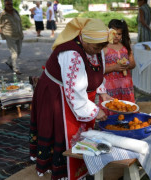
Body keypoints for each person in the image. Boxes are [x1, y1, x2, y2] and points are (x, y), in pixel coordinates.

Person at [29, 18, 115, 180]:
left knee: (81, 132)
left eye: (102, 47)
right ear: (85, 40)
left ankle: (83, 166)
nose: (99, 51)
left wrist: (102, 92)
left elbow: (97, 71)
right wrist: (94, 110)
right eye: (97, 47)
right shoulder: (71, 53)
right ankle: (63, 171)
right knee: (63, 131)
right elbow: (74, 90)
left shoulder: (95, 47)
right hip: (57, 94)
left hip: (76, 95)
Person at [99, 19, 136, 115]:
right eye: (114, 33)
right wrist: (114, 67)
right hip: (109, 86)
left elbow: (133, 64)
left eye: (119, 34)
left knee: (126, 108)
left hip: (125, 85)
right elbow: (98, 69)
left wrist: (127, 65)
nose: (116, 36)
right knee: (111, 108)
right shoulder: (104, 47)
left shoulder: (125, 46)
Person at [0, 0, 23, 75]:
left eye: (11, 4)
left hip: (19, 35)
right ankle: (15, 68)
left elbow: (19, 23)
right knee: (14, 53)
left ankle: (9, 62)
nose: (10, 6)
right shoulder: (2, 14)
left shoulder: (15, 11)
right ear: (5, 5)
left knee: (18, 51)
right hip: (9, 35)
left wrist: (22, 34)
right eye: (8, 4)